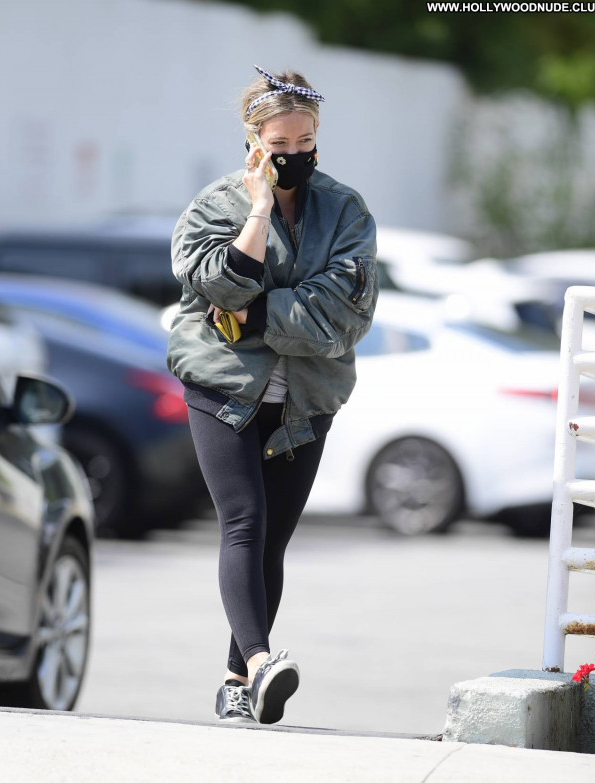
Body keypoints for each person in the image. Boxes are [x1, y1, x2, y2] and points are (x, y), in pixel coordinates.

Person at [166, 64, 378, 725]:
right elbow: (215, 287)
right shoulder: (215, 207)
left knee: (273, 541)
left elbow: (344, 313)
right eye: (279, 144)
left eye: (305, 141)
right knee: (245, 522)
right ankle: (261, 662)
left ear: (317, 135)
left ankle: (238, 680)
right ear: (253, 141)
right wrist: (259, 209)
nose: (294, 155)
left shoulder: (346, 210)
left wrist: (254, 314)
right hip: (222, 386)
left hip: (306, 400)